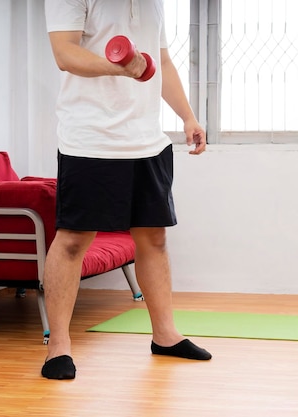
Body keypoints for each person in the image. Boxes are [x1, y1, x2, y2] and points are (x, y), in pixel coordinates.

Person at [42, 0, 211, 380]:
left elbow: (162, 61)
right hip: (89, 139)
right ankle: (59, 347)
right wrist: (121, 66)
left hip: (147, 140)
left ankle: (165, 336)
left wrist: (187, 116)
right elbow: (64, 53)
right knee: (72, 241)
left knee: (153, 238)